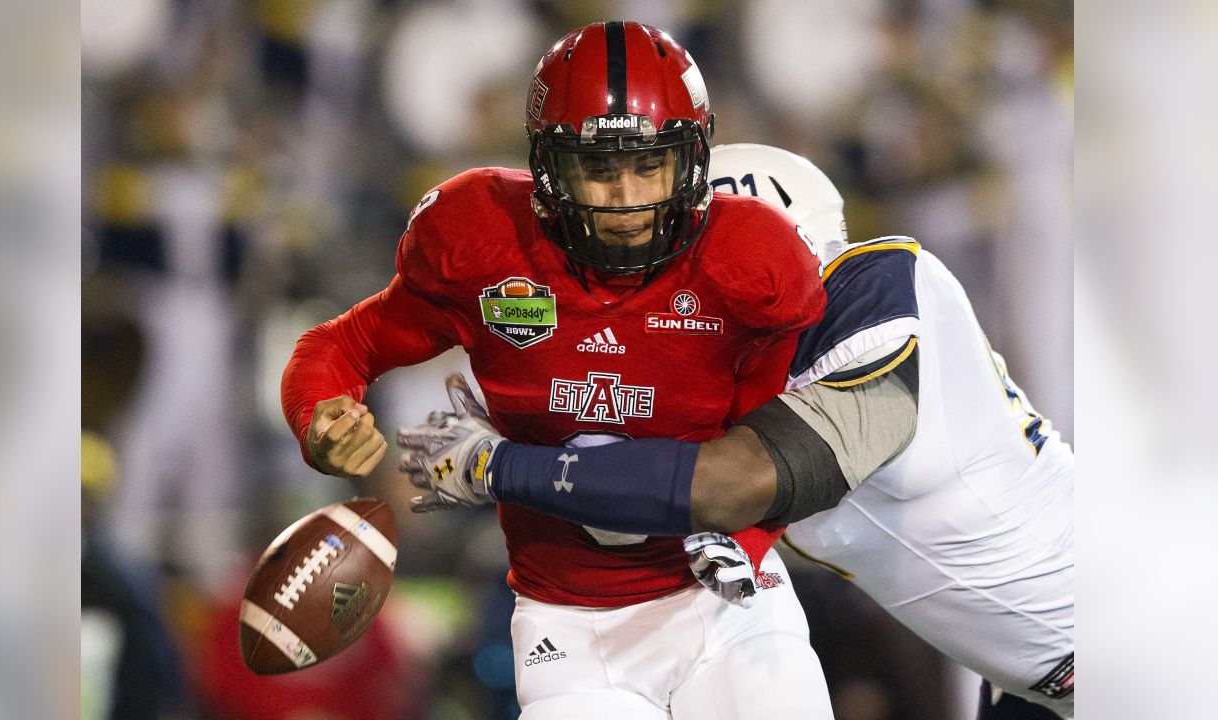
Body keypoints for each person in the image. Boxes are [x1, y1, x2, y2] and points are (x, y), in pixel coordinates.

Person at [398, 143, 1075, 719]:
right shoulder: (755, 378)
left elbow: (730, 481)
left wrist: (499, 465)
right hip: (1036, 673)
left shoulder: (881, 285)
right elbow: (643, 487)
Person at [281, 23, 836, 719]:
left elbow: (784, 444)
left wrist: (750, 537)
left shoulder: (748, 258)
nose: (626, 197)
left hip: (722, 598)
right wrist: (320, 413)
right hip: (566, 628)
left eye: (649, 164)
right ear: (548, 167)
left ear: (693, 161)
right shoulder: (485, 240)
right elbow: (342, 344)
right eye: (598, 168)